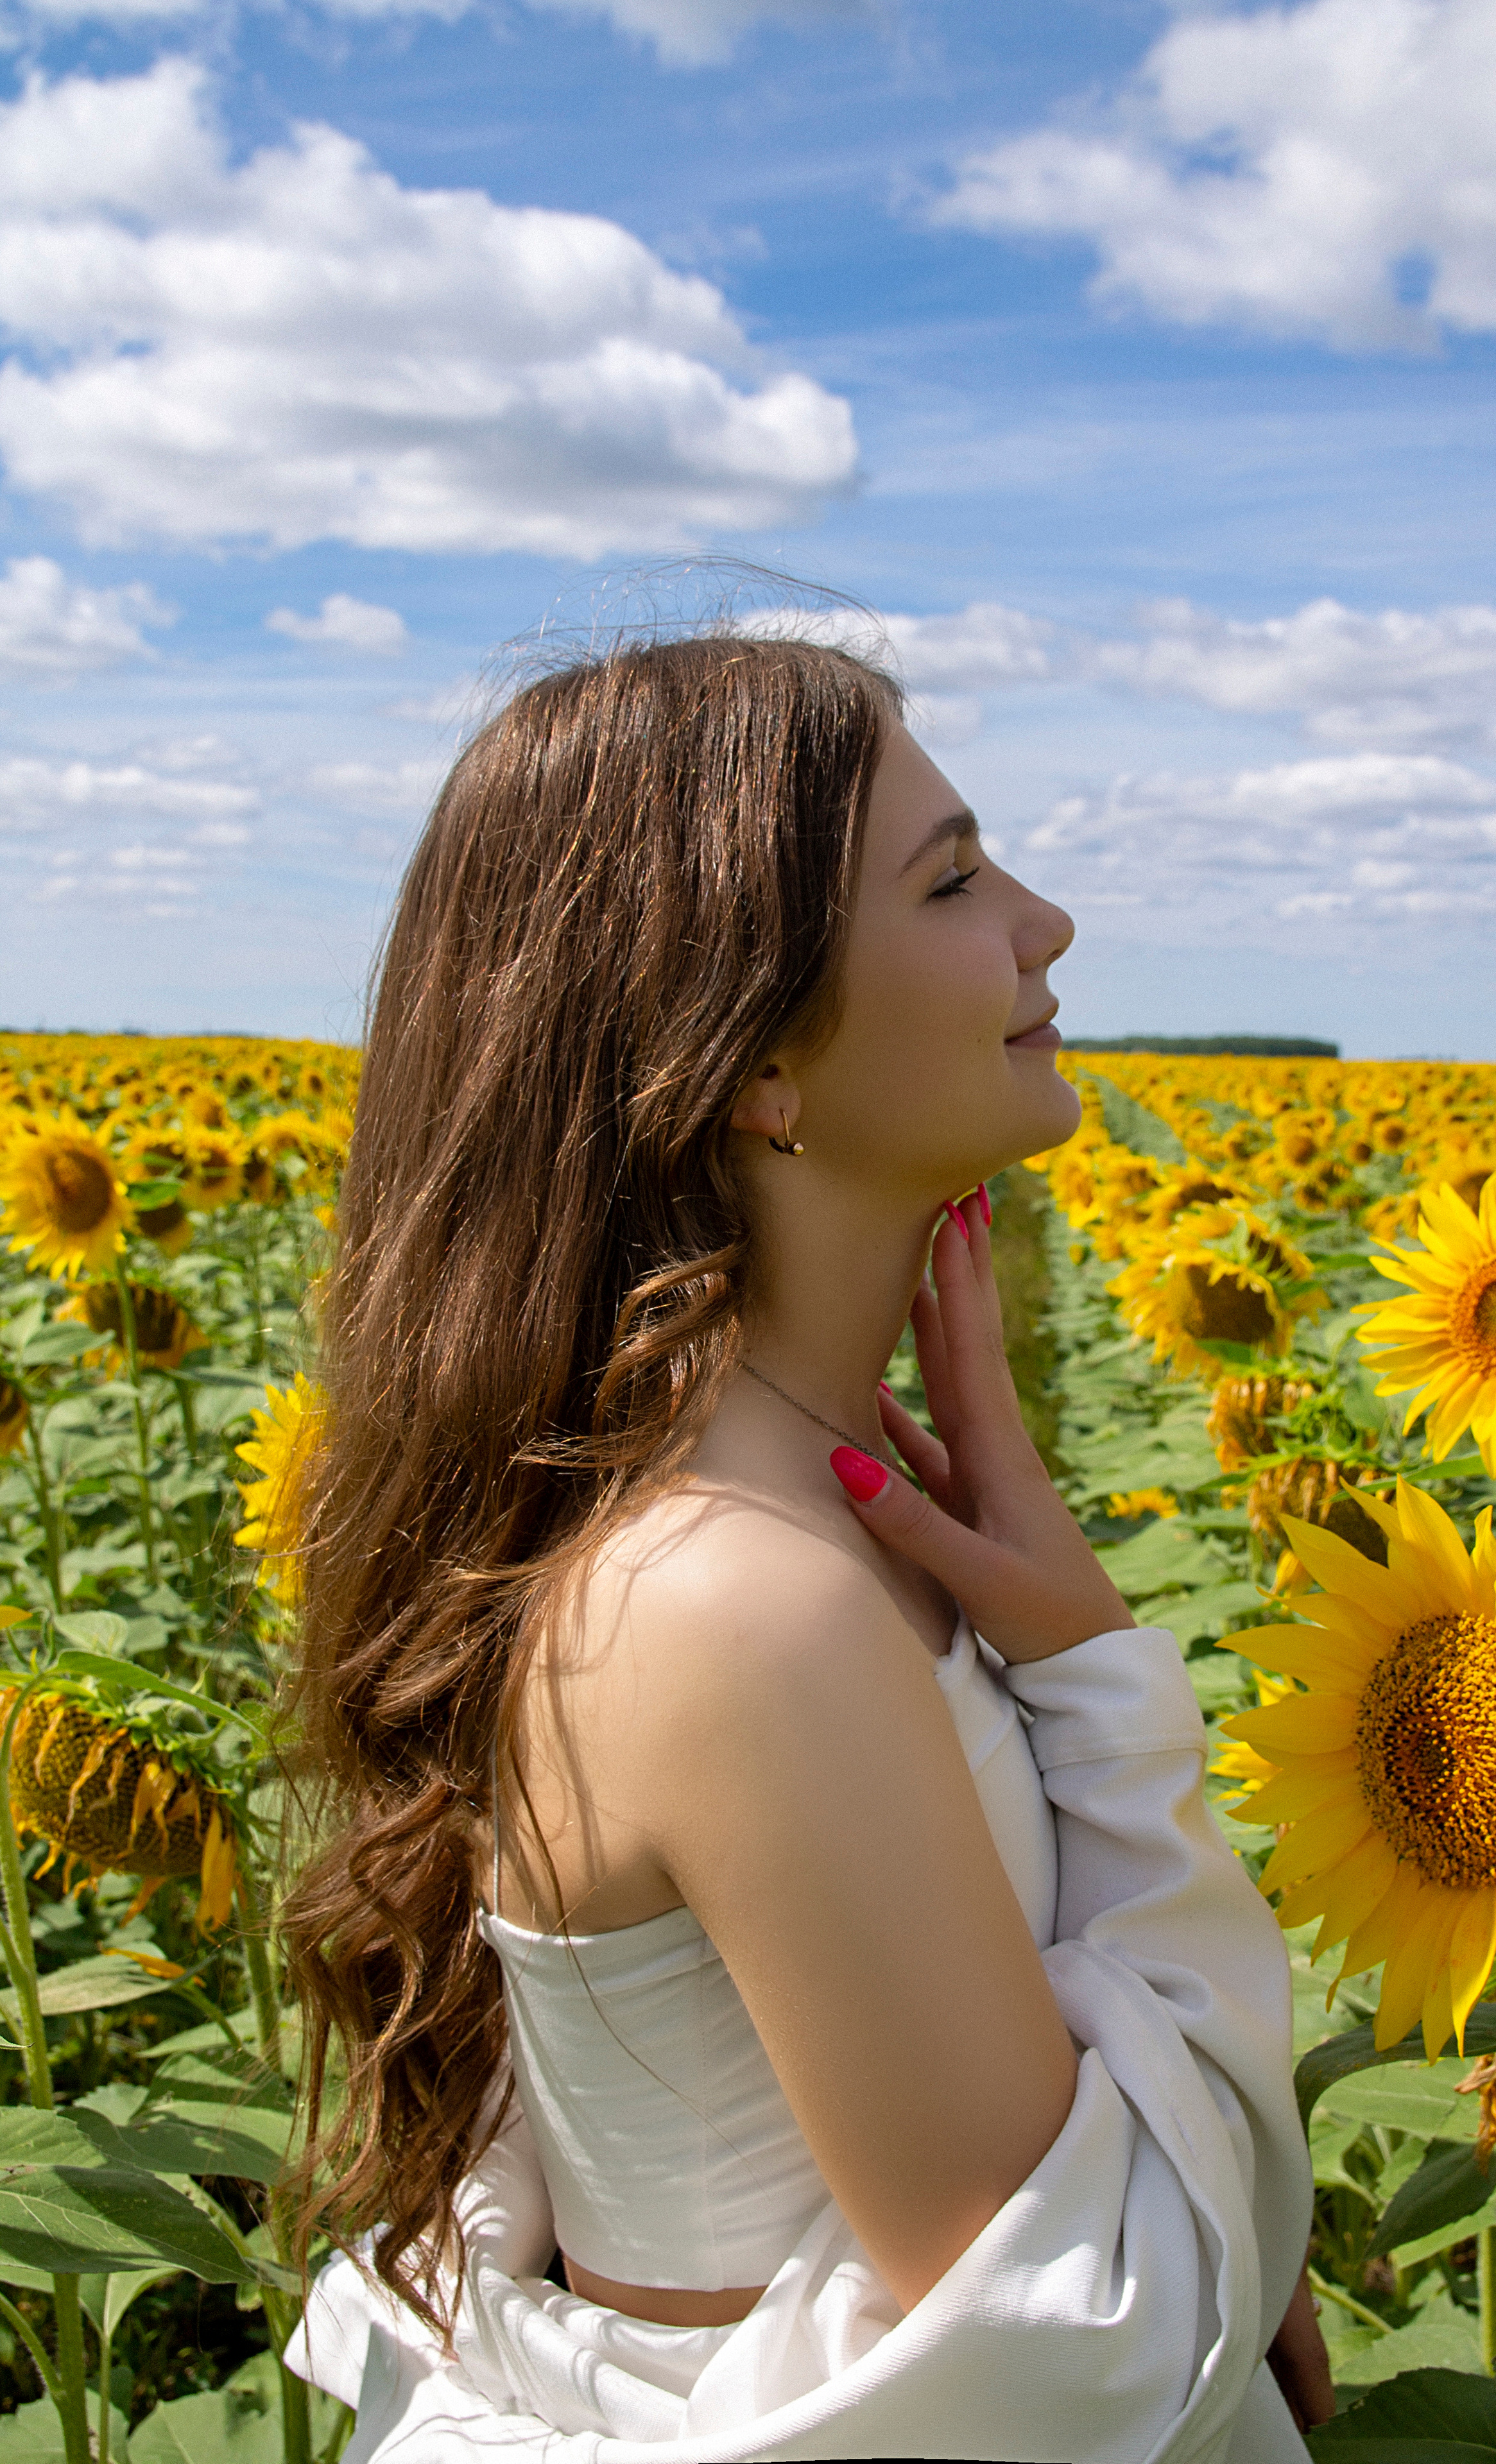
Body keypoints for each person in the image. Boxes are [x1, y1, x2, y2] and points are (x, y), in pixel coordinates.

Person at [282, 627, 1332, 2460]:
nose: (1049, 921)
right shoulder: (735, 1605)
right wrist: (1102, 1685)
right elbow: (1102, 2339)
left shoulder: (793, 1528)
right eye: (954, 880)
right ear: (754, 1063)